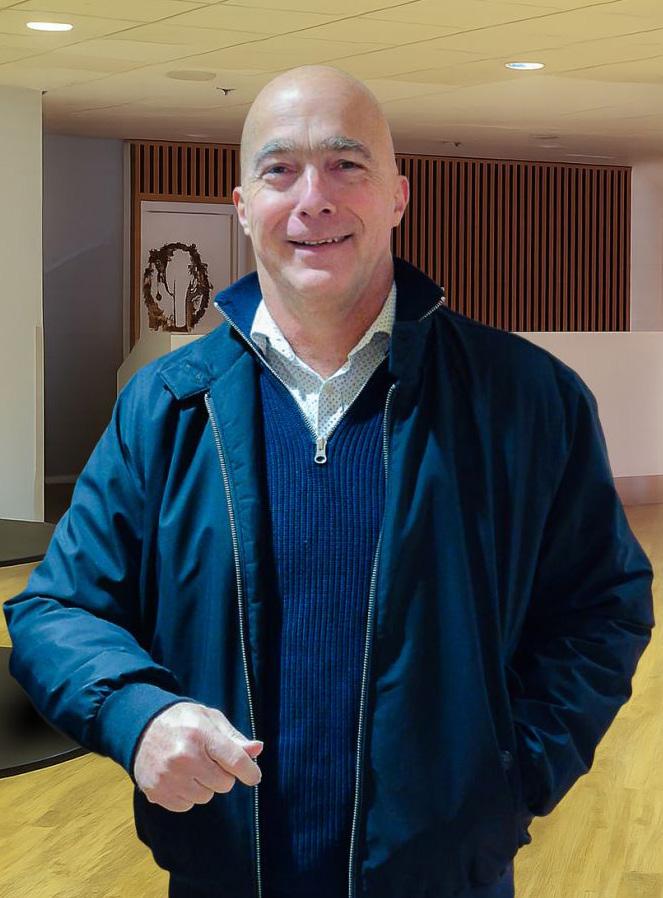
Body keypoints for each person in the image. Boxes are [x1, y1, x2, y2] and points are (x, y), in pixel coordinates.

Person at [4, 65, 655, 898]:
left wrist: (513, 774)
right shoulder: (165, 406)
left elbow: (600, 608)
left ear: (397, 196)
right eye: (279, 169)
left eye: (346, 164)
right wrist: (140, 714)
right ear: (244, 206)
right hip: (221, 872)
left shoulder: (525, 398)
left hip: (441, 877)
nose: (313, 199)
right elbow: (58, 608)